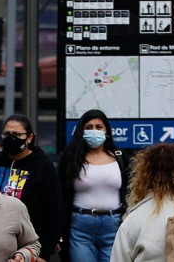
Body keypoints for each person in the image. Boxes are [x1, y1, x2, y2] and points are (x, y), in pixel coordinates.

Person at [59, 109, 129, 262]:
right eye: (89, 127)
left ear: (107, 131)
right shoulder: (71, 158)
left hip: (114, 223)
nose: (94, 131)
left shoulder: (120, 157)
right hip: (80, 225)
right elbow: (60, 194)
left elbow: (132, 189)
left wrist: (128, 213)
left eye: (99, 127)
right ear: (81, 132)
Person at [0, 115, 63, 261]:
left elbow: (55, 210)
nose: (11, 138)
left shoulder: (43, 166)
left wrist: (44, 252)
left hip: (29, 248)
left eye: (17, 134)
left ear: (29, 138)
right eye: (6, 134)